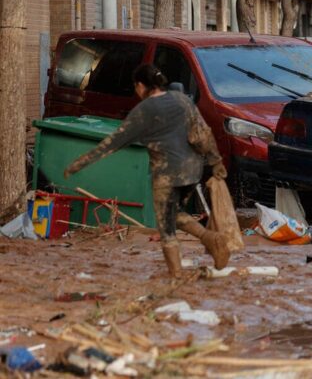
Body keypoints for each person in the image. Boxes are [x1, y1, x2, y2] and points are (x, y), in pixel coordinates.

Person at [64, 64, 231, 278]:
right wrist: (216, 162)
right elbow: (203, 133)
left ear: (141, 86)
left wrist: (79, 164)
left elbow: (113, 142)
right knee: (176, 214)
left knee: (166, 226)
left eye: (136, 87)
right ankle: (210, 239)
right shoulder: (182, 100)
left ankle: (176, 274)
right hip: (192, 171)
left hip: (167, 175)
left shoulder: (143, 111)